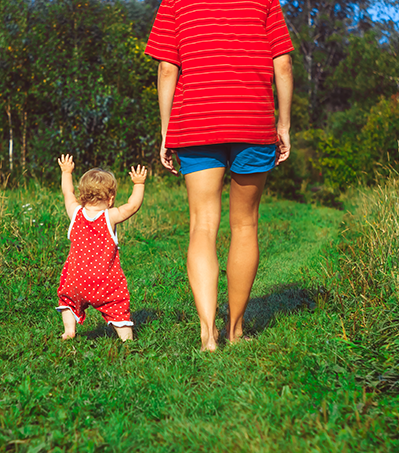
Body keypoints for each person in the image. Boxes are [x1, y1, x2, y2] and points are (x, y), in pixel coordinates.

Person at [145, 0, 294, 351]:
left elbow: (168, 69)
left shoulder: (176, 3)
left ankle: (207, 331)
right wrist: (284, 125)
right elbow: (283, 64)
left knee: (202, 224)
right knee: (245, 225)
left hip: (197, 120)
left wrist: (167, 131)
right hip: (252, 119)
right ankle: (235, 330)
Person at [56, 154, 148, 341]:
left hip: (76, 278)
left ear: (82, 195)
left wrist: (66, 172)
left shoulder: (75, 213)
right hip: (105, 281)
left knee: (68, 301)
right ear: (111, 198)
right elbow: (132, 206)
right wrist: (139, 184)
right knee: (117, 305)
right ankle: (126, 339)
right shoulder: (110, 217)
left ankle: (69, 331)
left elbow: (67, 193)